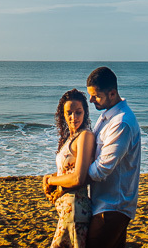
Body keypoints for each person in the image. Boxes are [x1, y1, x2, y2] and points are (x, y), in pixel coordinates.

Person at [84, 66, 141, 248]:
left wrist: (74, 178)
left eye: (96, 96)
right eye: (90, 95)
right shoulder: (107, 116)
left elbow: (101, 169)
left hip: (112, 206)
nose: (91, 100)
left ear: (112, 93)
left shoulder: (121, 123)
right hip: (105, 203)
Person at [43, 88, 95, 248]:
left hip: (75, 210)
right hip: (67, 210)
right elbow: (67, 172)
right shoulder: (71, 138)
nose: (73, 117)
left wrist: (51, 180)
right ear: (63, 115)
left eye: (78, 112)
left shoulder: (85, 136)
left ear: (85, 112)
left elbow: (79, 177)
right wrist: (51, 178)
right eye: (69, 113)